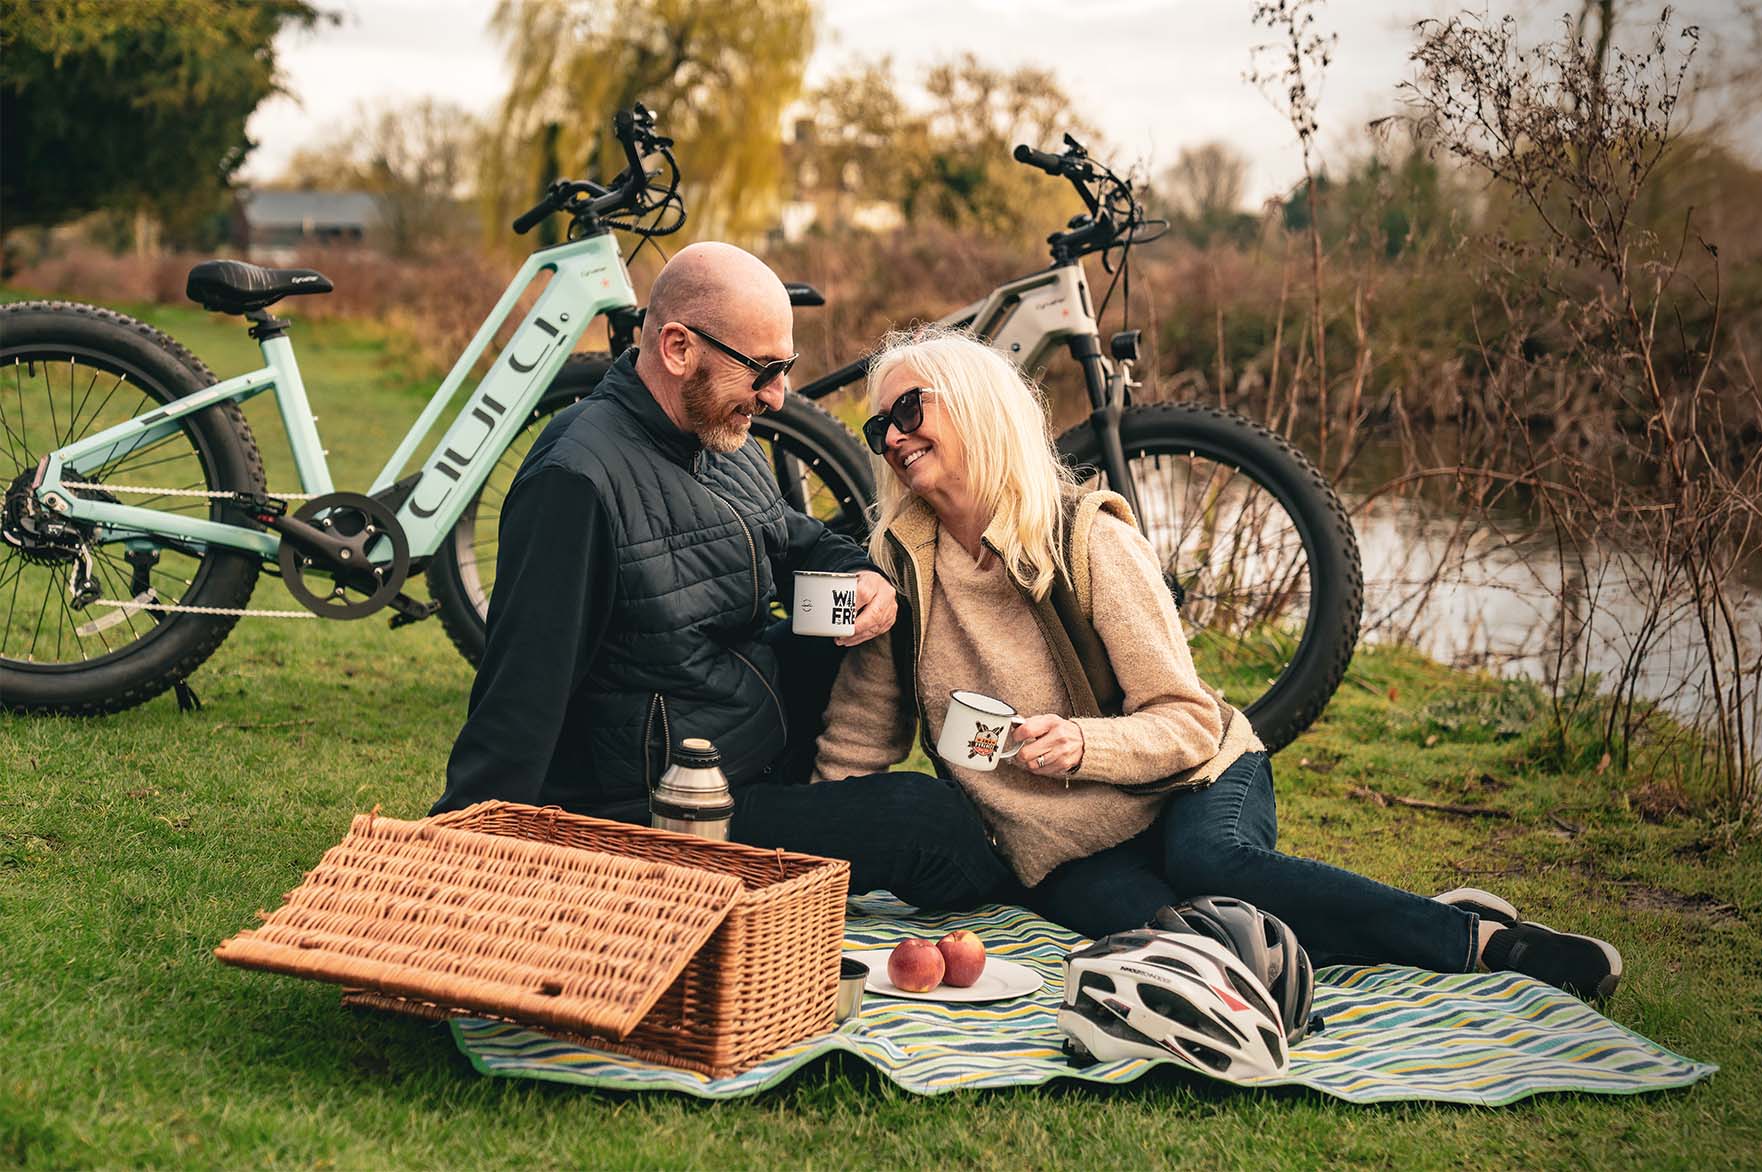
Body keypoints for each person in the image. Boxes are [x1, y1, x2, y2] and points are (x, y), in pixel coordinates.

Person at [805, 327, 1627, 999]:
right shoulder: (897, 567)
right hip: (1062, 847)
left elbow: (1188, 719)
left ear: (981, 410)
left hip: (1187, 780)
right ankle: (1398, 920)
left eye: (910, 408)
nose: (894, 436)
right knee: (1189, 938)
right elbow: (859, 738)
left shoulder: (1088, 538)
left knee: (1212, 866)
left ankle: (1486, 944)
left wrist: (1085, 745)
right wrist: (816, 857)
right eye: (880, 427)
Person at [434, 243, 1003, 911]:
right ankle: (1039, 879)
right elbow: (516, 705)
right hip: (664, 814)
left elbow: (801, 543)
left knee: (868, 626)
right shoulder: (576, 479)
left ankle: (1037, 811)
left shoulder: (721, 438)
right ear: (678, 349)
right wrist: (454, 874)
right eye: (763, 371)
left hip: (741, 740)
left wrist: (860, 577)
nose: (778, 395)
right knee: (932, 825)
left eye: (785, 368)